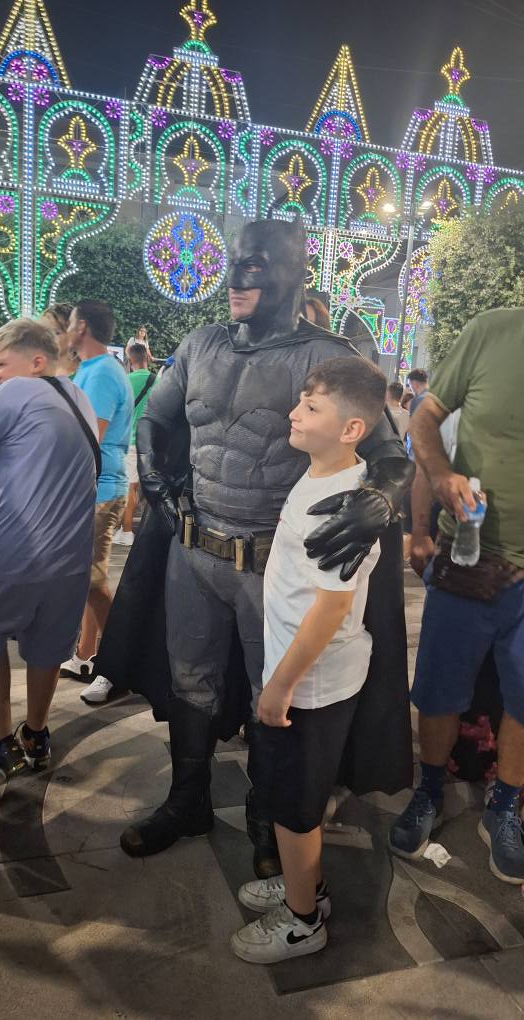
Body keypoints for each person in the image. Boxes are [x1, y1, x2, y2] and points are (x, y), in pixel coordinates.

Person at [111, 216, 414, 867]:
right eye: (233, 263)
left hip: (273, 568)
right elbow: (155, 417)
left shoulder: (327, 359)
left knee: (272, 697)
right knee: (189, 683)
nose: (236, 278)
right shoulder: (200, 344)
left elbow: (391, 456)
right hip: (193, 552)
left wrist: (380, 500)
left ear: (292, 274)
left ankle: (267, 821)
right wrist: (157, 477)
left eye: (254, 265)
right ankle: (187, 800)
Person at [230, 357, 384, 964]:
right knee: (289, 794)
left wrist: (281, 685)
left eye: (311, 407)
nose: (293, 413)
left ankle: (302, 921)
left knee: (294, 806)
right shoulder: (324, 476)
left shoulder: (342, 503)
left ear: (351, 429)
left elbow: (330, 608)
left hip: (309, 682)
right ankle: (305, 886)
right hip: (301, 673)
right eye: (301, 400)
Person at [388, 308, 524, 884]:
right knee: (440, 691)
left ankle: (504, 808)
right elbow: (425, 420)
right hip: (470, 558)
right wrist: (441, 477)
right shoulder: (493, 331)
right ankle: (429, 791)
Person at [0, 319, 98, 793]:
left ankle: (0, 743)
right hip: (70, 558)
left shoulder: (19, 391)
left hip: (13, 553)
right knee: (47, 648)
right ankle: (37, 735)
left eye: (2, 363)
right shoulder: (79, 397)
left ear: (36, 362)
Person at [60, 300, 133, 683]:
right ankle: (86, 654)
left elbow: (90, 438)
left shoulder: (103, 372)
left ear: (82, 327)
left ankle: (123, 661)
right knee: (91, 580)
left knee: (92, 579)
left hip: (98, 488)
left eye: (69, 323)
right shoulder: (94, 368)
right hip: (95, 486)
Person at [113, 342, 155, 547]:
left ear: (130, 360)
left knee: (130, 486)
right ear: (147, 358)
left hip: (130, 441)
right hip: (152, 442)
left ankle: (127, 531)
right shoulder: (159, 381)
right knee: (150, 487)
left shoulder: (125, 381)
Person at [41, 302, 79, 377]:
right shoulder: (35, 372)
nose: (46, 338)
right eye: (42, 332)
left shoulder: (83, 374)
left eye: (56, 333)